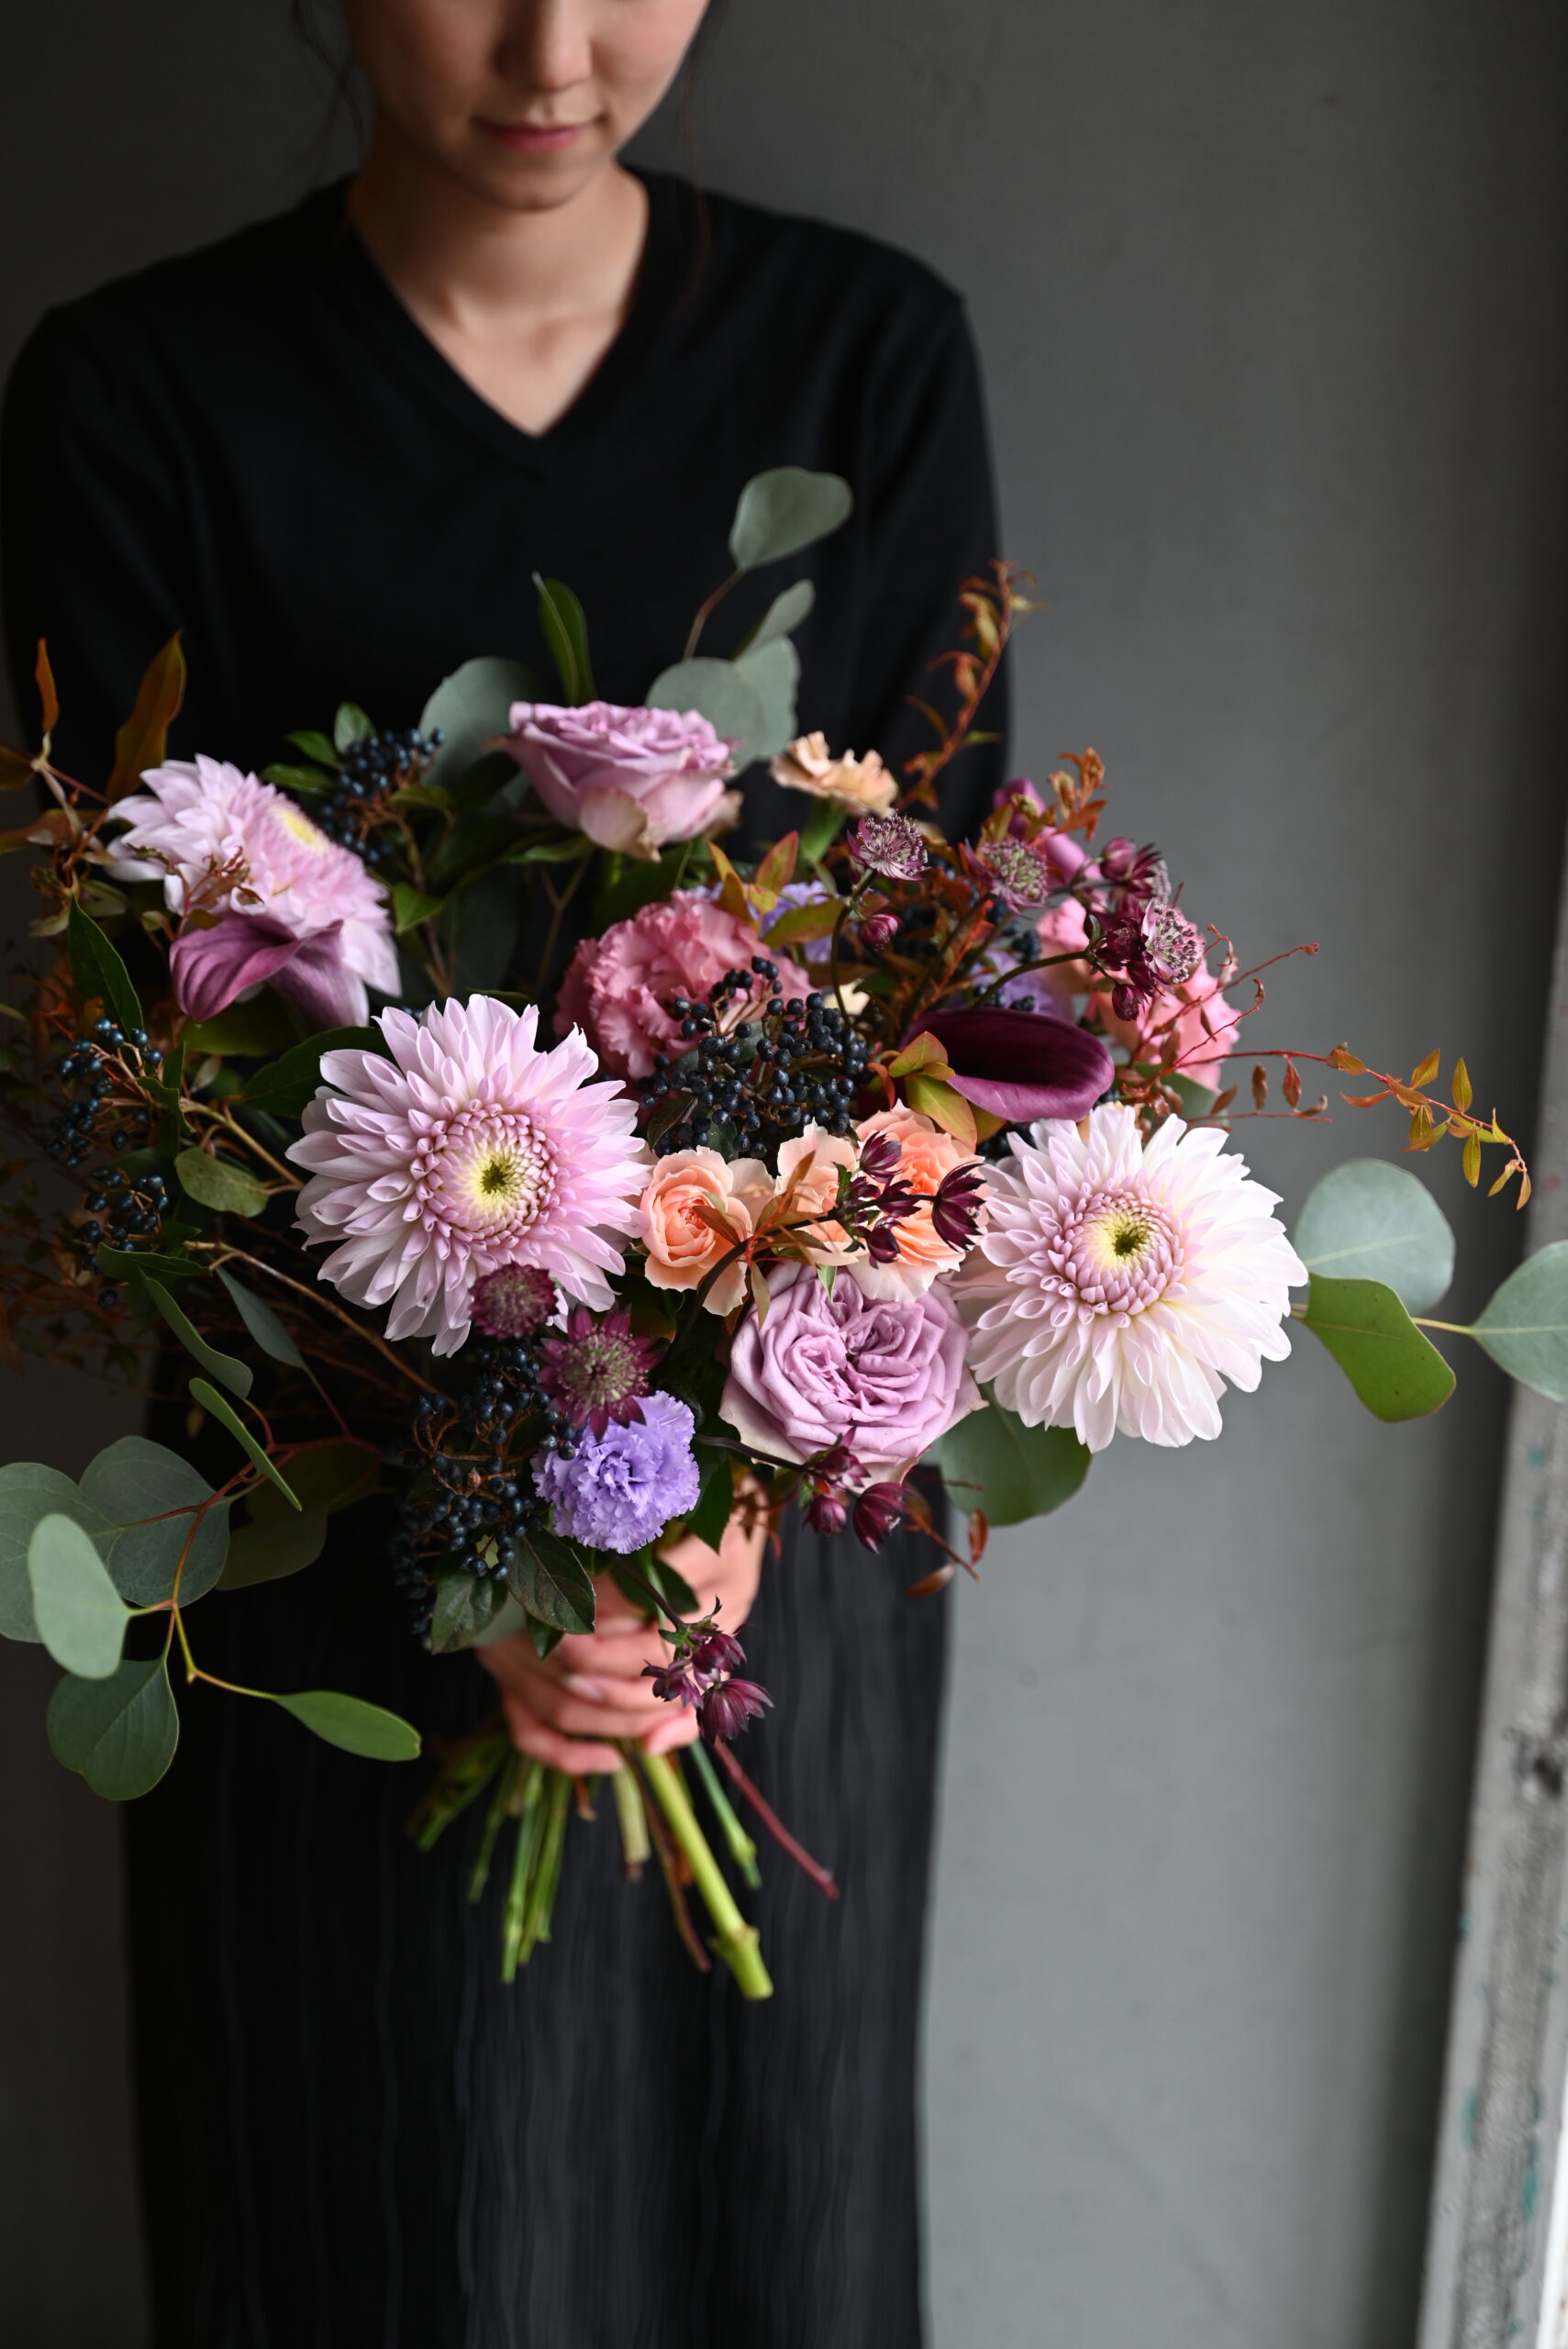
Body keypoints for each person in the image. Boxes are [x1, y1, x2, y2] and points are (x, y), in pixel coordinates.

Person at [0, 4, 1007, 2341]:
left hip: (772, 1497)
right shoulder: (139, 396)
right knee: (379, 2213)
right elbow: (167, 1064)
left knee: (775, 2216)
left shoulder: (867, 362)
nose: (560, 44)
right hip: (329, 1505)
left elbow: (935, 1004)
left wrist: (731, 1483)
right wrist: (502, 1516)